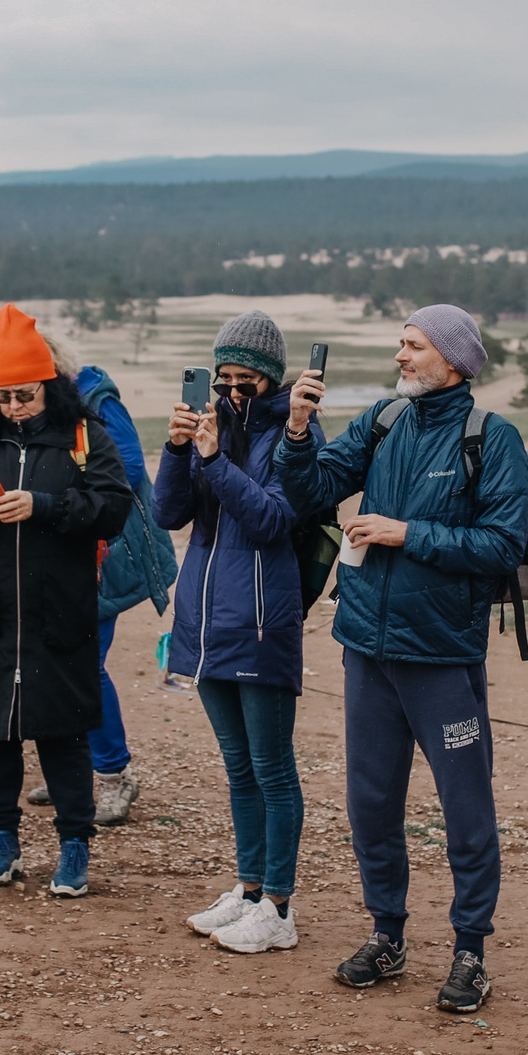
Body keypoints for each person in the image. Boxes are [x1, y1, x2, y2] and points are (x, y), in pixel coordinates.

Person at [276, 303, 528, 1013]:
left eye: (413, 346)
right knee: (372, 802)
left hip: (442, 656)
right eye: (400, 343)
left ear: (452, 359)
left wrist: (404, 531)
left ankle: (471, 950)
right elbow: (310, 492)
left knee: (466, 807)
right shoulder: (383, 421)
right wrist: (297, 432)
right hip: (367, 649)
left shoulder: (493, 438)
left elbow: (501, 544)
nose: (401, 356)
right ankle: (387, 934)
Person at [0, 304, 134, 900]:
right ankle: (1, 840)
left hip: (57, 612)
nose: (13, 407)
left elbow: (112, 506)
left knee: (63, 732)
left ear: (50, 387)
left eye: (24, 396)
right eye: (4, 397)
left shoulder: (83, 436)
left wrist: (42, 507)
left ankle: (74, 845)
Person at [157, 311, 313, 955]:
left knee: (273, 769)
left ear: (271, 380)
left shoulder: (294, 433)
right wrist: (175, 449)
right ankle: (249, 892)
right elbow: (169, 513)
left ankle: (279, 906)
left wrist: (216, 458)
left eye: (246, 380)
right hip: (202, 621)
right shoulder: (208, 425)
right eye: (223, 379)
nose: (232, 391)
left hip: (260, 621)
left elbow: (273, 519)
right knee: (238, 766)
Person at [27, 354, 173, 827]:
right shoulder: (36, 404)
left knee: (85, 664)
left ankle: (114, 775)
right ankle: (71, 766)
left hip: (100, 552)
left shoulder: (98, 400)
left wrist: (58, 497)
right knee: (52, 659)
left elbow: (128, 469)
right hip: (56, 550)